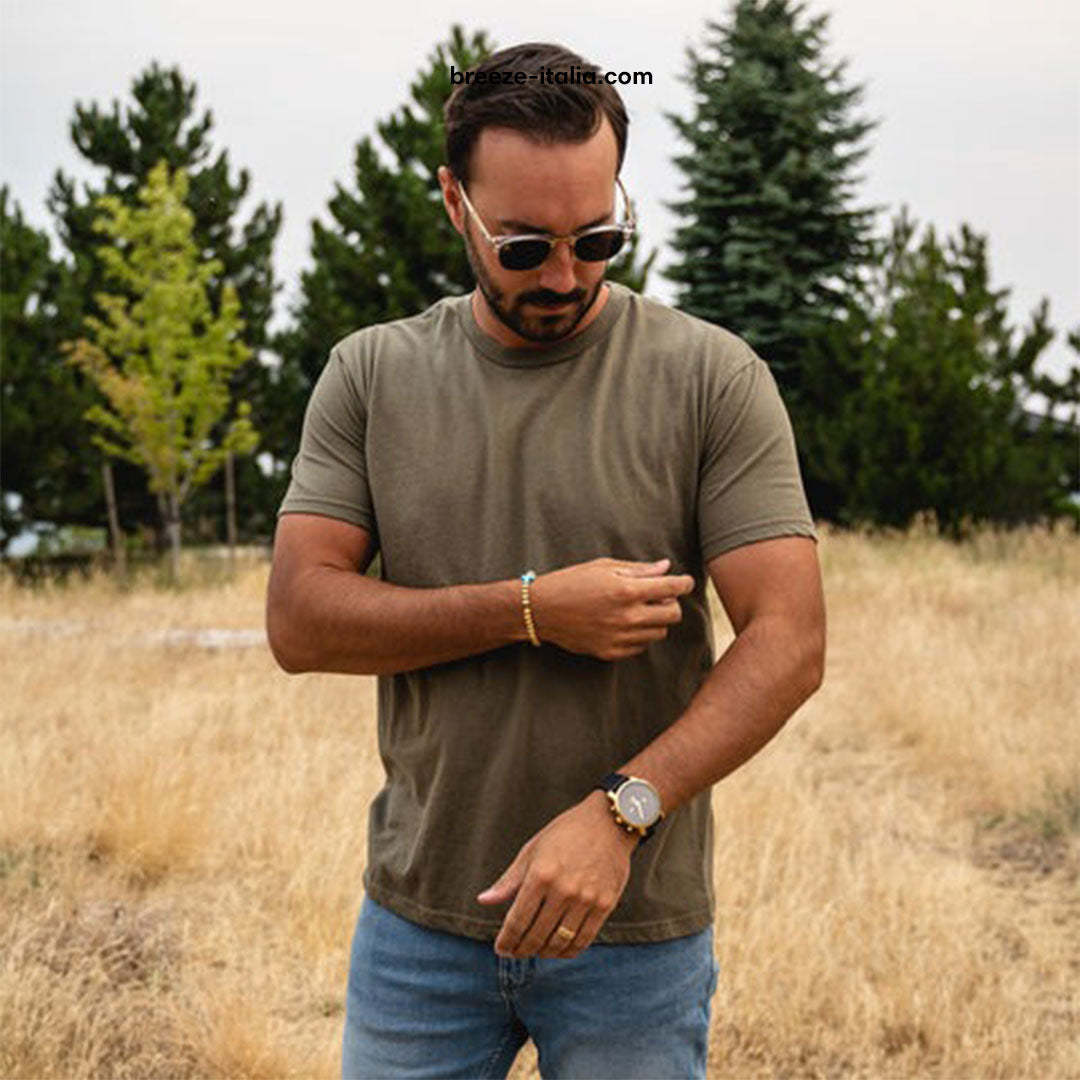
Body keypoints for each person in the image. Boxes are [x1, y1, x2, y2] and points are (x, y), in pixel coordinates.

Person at [267, 40, 825, 1080]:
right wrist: (529, 609)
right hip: (421, 928)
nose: (566, 275)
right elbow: (300, 621)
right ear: (455, 202)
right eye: (525, 247)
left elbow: (789, 642)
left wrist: (622, 814)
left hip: (634, 933)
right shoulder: (372, 375)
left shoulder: (714, 378)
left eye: (598, 236)